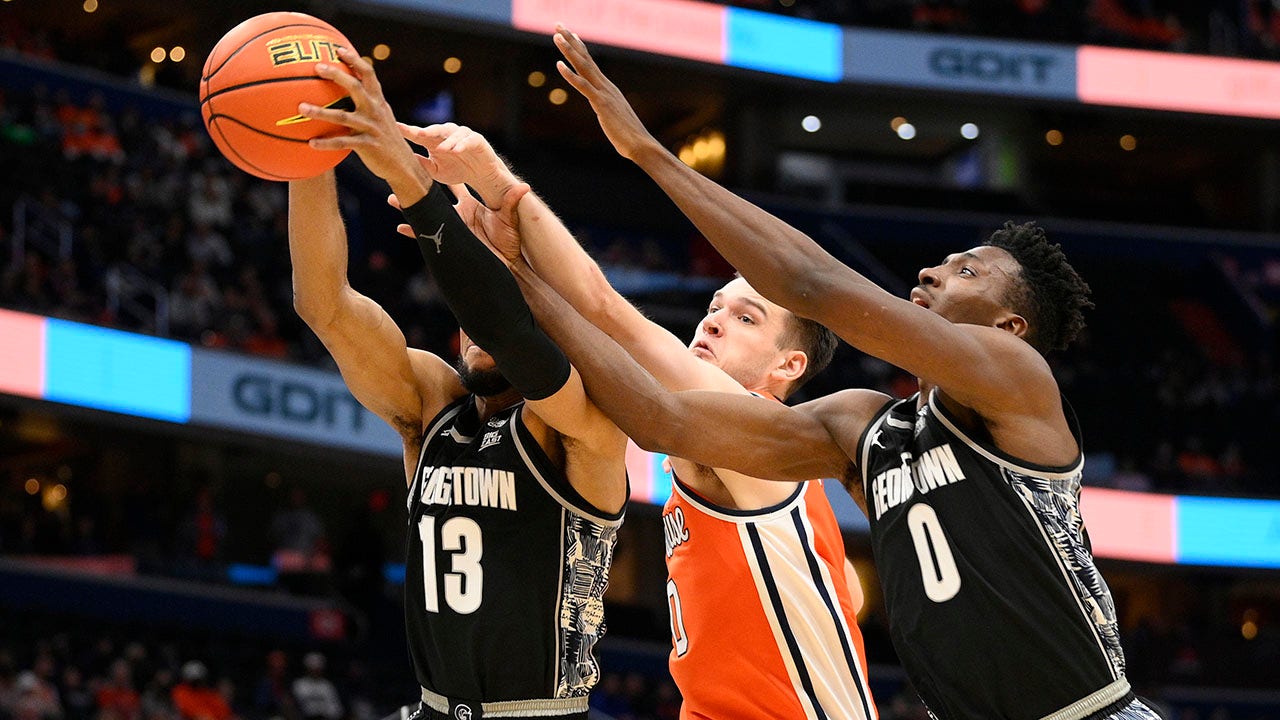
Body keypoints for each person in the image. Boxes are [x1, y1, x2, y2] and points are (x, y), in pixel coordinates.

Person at [503, 26, 1163, 720]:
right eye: (943, 263)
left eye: (967, 273)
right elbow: (659, 419)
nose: (930, 271)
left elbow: (810, 283)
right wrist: (520, 280)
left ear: (1009, 327)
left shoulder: (1017, 377)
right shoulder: (860, 427)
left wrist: (649, 153)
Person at [398, 124, 876, 719]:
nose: (713, 322)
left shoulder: (753, 426)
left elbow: (604, 310)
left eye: (746, 319)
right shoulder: (738, 452)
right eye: (715, 307)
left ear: (788, 366)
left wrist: (499, 190)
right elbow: (845, 587)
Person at [288, 46, 627, 720]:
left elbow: (514, 335)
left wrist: (416, 184)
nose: (476, 326)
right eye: (468, 312)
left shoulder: (583, 425)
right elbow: (324, 306)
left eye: (493, 303)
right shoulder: (433, 403)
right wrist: (310, 146)